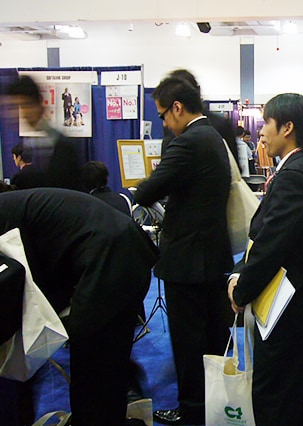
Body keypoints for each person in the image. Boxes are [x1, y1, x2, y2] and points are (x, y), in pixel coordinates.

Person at [0, 188, 158, 426]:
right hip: (119, 253)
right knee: (104, 360)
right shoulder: (13, 206)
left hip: (109, 258)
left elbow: (17, 279)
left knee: (93, 364)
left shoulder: (7, 213)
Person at [133, 76, 233, 425]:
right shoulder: (214, 136)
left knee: (189, 344)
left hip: (187, 262)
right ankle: (214, 405)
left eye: (163, 115)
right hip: (211, 256)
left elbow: (147, 191)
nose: (163, 123)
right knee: (212, 338)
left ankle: (192, 410)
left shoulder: (188, 141)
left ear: (177, 107)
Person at [227, 93, 303, 425]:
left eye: (267, 123)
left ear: (288, 128)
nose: (261, 132)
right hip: (290, 296)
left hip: (285, 300)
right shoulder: (299, 168)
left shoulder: (295, 175)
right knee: (288, 388)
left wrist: (242, 290)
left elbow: (271, 245)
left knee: (273, 392)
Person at [7, 76, 82, 190]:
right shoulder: (29, 143)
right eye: (14, 107)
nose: (21, 113)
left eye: (24, 105)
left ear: (39, 104)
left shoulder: (61, 145)